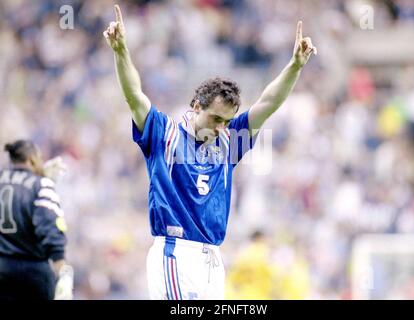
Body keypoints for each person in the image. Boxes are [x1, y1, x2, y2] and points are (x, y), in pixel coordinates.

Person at [104, 4, 316, 300]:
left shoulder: (230, 141)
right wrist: (121, 51)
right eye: (215, 119)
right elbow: (134, 96)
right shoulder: (164, 134)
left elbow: (269, 103)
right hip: (175, 253)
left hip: (213, 259)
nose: (221, 127)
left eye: (227, 121)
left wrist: (295, 65)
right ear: (196, 107)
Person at [0, 140, 73, 300]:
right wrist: (61, 266)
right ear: (32, 159)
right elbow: (48, 226)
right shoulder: (40, 185)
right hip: (33, 273)